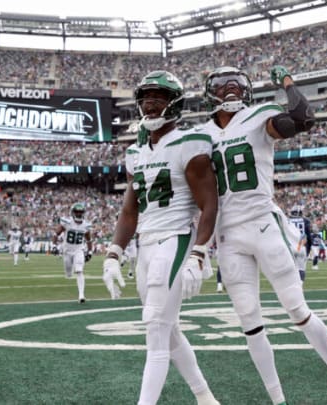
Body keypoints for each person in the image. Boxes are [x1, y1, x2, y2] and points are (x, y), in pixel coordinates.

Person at [201, 65, 327, 405]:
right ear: (209, 93)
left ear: (247, 91)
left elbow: (304, 117)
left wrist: (287, 82)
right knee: (250, 323)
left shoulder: (259, 116)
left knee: (297, 310)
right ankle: (279, 401)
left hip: (262, 223)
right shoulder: (201, 135)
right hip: (228, 236)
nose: (230, 90)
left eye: (236, 84)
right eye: (222, 85)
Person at [101, 70, 220, 405]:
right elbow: (129, 210)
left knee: (155, 331)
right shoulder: (136, 153)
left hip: (176, 238)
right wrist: (113, 253)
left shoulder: (190, 144)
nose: (150, 104)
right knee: (168, 331)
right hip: (147, 244)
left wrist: (199, 252)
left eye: (159, 97)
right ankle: (206, 398)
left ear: (175, 103)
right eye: (146, 98)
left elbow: (209, 203)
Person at [53, 203, 94, 303]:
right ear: (73, 212)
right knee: (68, 274)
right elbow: (56, 234)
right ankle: (69, 274)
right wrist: (54, 246)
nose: (79, 214)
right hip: (66, 251)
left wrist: (90, 251)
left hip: (79, 250)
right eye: (77, 212)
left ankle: (81, 295)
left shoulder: (86, 225)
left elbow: (89, 240)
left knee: (79, 271)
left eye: (81, 212)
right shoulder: (67, 222)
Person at [288, 206, 312, 281]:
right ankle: (299, 288)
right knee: (301, 269)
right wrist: (308, 250)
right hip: (301, 247)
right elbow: (309, 238)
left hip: (290, 247)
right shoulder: (306, 221)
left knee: (290, 270)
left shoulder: (287, 221)